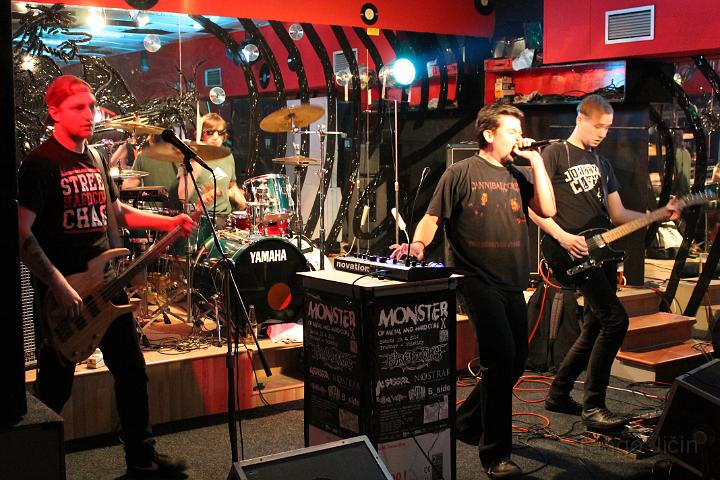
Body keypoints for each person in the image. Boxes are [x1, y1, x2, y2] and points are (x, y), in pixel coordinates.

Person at [17, 75, 194, 479]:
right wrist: (58, 285)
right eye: (78, 107)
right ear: (54, 112)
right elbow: (21, 231)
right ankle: (31, 463)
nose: (89, 114)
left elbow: (117, 214)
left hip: (107, 288)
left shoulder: (96, 158)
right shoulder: (40, 163)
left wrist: (169, 222)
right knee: (55, 387)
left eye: (92, 106)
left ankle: (142, 461)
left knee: (130, 370)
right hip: (64, 295)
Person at [390, 103, 556, 478]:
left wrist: (537, 161)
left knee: (516, 361)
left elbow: (547, 209)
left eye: (519, 131)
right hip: (476, 278)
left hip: (512, 280)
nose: (519, 137)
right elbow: (433, 217)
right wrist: (418, 244)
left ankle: (465, 422)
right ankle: (496, 455)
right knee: (500, 358)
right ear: (489, 134)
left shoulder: (518, 174)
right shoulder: (461, 172)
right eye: (511, 131)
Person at [529, 95, 682, 432]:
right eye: (598, 126)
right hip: (570, 250)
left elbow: (617, 213)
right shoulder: (554, 154)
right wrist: (563, 237)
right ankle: (594, 406)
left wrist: (658, 215)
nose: (602, 133)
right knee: (615, 321)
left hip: (601, 251)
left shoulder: (602, 164)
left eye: (608, 128)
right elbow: (533, 208)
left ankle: (558, 393)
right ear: (580, 118)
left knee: (596, 326)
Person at [177, 112, 246, 226]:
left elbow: (231, 185)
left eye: (220, 133)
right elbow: (182, 196)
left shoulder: (227, 156)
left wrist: (239, 198)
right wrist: (195, 166)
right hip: (201, 220)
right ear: (200, 134)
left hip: (226, 219)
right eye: (210, 132)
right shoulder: (191, 156)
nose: (215, 137)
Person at [123, 134, 182, 212]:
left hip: (152, 211)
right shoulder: (179, 155)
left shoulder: (142, 156)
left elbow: (131, 184)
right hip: (174, 210)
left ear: (152, 138)